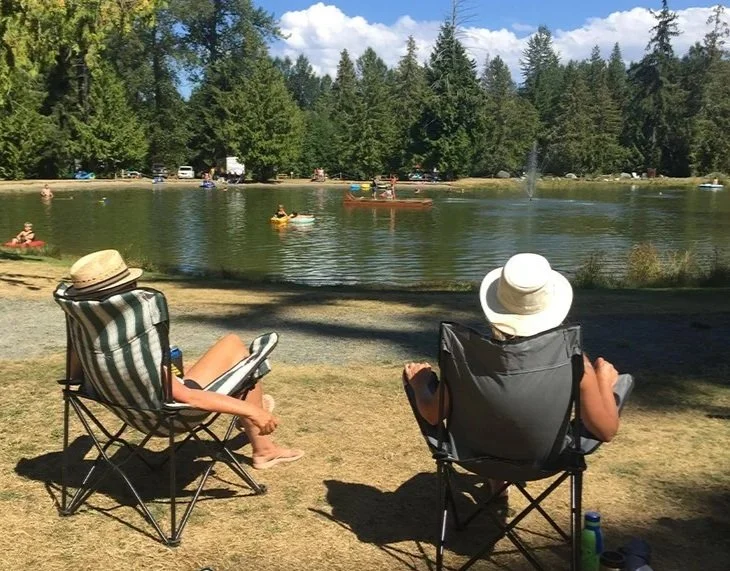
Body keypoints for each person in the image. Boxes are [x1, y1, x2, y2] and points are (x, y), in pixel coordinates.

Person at [64, 249, 304, 470]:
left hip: (131, 409)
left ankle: (254, 417)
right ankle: (264, 448)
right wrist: (252, 411)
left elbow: (74, 377)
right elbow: (186, 397)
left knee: (226, 354)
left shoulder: (87, 331)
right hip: (169, 416)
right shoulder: (135, 344)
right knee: (240, 354)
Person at [403, 253, 622, 492]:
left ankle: (497, 481)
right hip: (545, 461)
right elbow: (606, 429)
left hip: (473, 457)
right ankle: (498, 481)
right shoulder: (573, 361)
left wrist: (420, 385)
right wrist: (603, 381)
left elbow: (433, 415)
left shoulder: (467, 357)